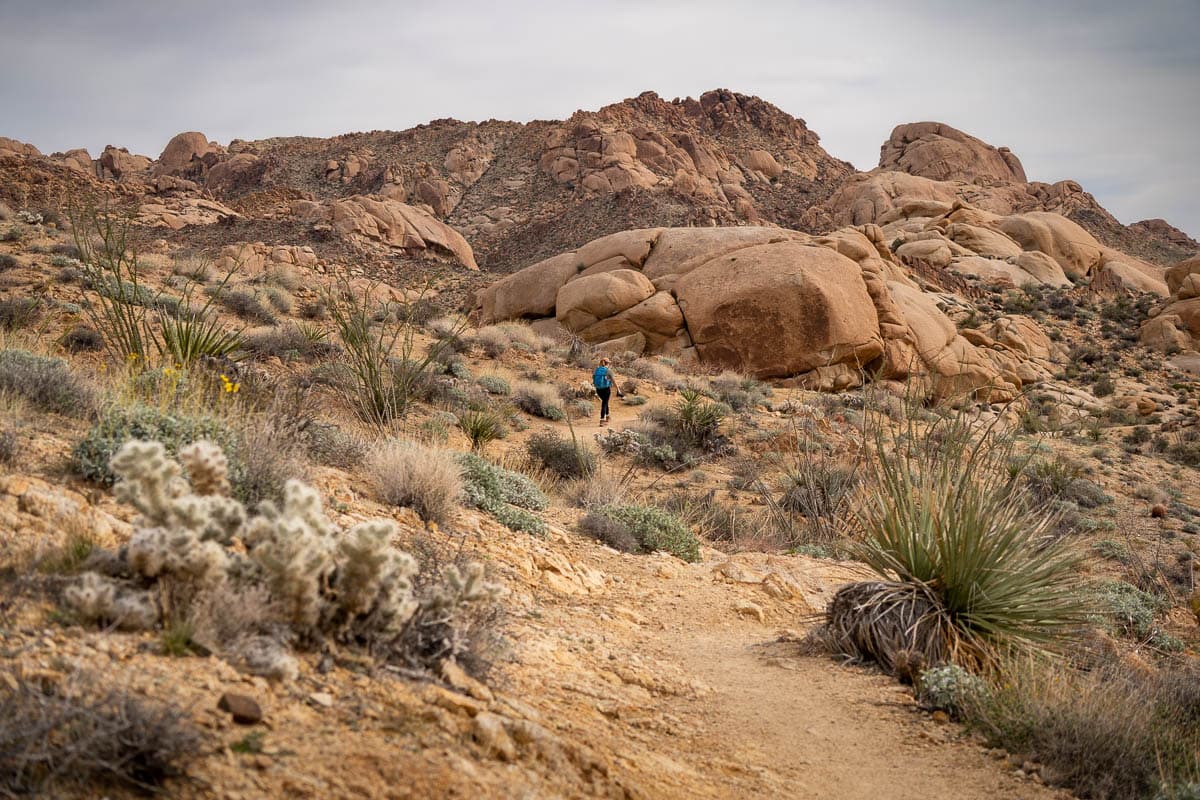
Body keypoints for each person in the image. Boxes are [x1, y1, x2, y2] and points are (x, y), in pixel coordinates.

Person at [591, 357, 624, 425]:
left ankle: (608, 416)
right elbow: (613, 381)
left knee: (605, 402)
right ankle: (602, 420)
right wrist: (618, 389)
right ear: (607, 363)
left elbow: (593, 378)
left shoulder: (596, 370)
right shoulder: (608, 370)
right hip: (606, 389)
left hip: (598, 389)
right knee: (604, 404)